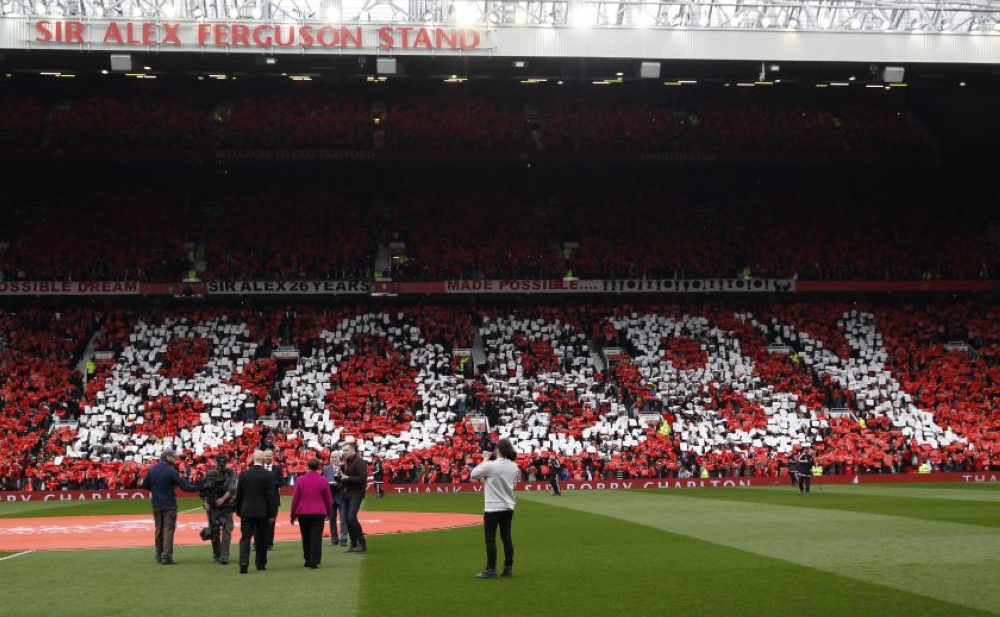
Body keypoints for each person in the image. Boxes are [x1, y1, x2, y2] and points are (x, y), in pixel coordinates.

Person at [140, 448, 198, 566]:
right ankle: (166, 556)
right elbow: (185, 487)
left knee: (159, 529)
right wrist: (200, 487)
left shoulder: (152, 469)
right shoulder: (171, 471)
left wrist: (156, 489)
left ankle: (158, 554)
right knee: (168, 530)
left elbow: (145, 485)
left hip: (156, 503)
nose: (174, 459)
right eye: (173, 457)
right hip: (169, 504)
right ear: (167, 457)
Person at [470, 438, 518, 579]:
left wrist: (485, 459)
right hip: (508, 506)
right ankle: (508, 568)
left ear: (498, 450)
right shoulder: (514, 466)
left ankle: (491, 570)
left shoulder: (490, 465)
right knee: (506, 537)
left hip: (492, 507)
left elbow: (473, 474)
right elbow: (514, 484)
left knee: (490, 538)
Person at [235, 450, 279, 574]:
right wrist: (272, 513)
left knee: (245, 537)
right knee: (261, 538)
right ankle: (260, 563)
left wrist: (238, 510)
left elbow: (239, 494)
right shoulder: (268, 475)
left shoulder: (244, 474)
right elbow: (271, 496)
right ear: (263, 460)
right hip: (262, 511)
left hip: (247, 510)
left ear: (253, 459)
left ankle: (244, 562)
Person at [290, 458, 333, 569]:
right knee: (316, 537)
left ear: (307, 467)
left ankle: (307, 559)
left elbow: (295, 499)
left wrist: (293, 514)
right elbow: (328, 499)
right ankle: (315, 560)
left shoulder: (300, 480)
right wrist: (329, 512)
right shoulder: (323, 480)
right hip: (319, 512)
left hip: (303, 512)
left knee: (306, 536)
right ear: (318, 467)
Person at [201, 454, 237, 565]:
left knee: (227, 529)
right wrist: (205, 502)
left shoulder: (231, 473)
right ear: (215, 462)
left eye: (223, 464)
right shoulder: (209, 474)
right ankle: (217, 554)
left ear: (226, 463)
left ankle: (224, 556)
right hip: (213, 507)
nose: (221, 466)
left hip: (226, 505)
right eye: (219, 464)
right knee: (214, 531)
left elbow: (232, 488)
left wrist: (222, 499)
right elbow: (203, 490)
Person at [340, 442, 368, 553]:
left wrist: (347, 477)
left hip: (356, 493)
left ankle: (361, 543)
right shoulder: (348, 462)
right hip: (348, 493)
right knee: (347, 519)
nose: (344, 452)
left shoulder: (359, 462)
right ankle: (354, 543)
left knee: (351, 517)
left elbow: (362, 479)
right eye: (344, 450)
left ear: (352, 450)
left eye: (346, 450)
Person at [323, 452, 349, 546]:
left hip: (341, 496)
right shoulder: (326, 468)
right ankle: (334, 540)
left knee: (343, 519)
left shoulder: (344, 468)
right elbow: (324, 480)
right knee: (331, 519)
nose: (333, 459)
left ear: (339, 458)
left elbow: (347, 481)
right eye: (332, 457)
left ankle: (344, 539)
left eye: (335, 457)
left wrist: (339, 485)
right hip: (330, 496)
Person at [263, 449, 284, 550]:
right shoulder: (259, 468)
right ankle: (258, 543)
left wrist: (270, 483)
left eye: (269, 456)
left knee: (271, 523)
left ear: (273, 457)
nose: (268, 458)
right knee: (259, 522)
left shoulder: (277, 469)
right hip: (260, 500)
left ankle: (269, 544)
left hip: (274, 500)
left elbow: (281, 482)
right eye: (266, 456)